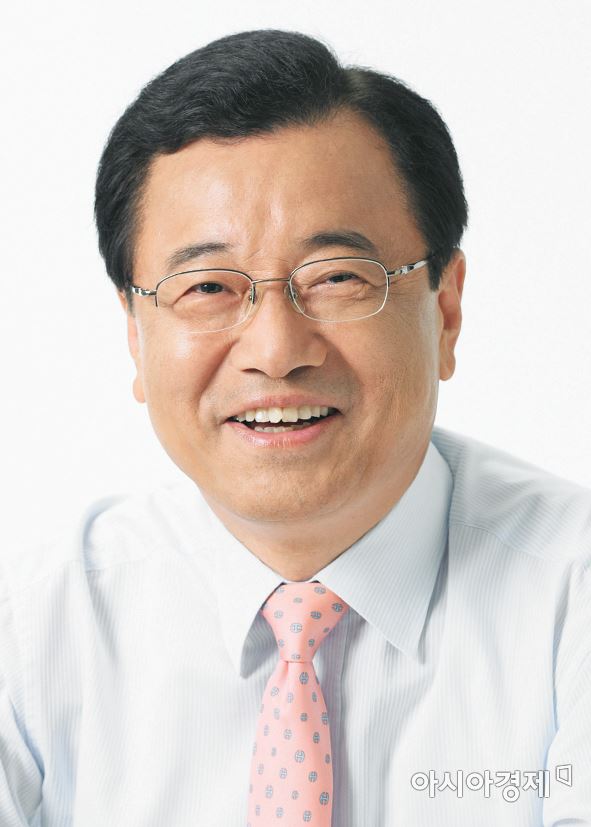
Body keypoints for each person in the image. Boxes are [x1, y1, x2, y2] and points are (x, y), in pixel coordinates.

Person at [1, 28, 589, 827]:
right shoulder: (34, 632)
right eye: (206, 287)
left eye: (337, 277)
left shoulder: (570, 598)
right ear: (135, 335)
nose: (275, 351)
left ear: (445, 310)